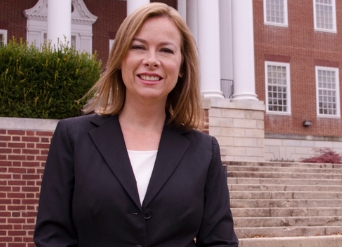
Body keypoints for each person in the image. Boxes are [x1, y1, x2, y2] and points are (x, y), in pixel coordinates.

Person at [34, 2, 238, 247]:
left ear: (182, 66)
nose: (151, 60)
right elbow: (52, 237)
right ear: (121, 58)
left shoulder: (205, 151)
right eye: (139, 47)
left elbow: (220, 242)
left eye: (166, 50)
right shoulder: (73, 138)